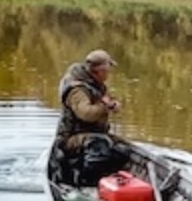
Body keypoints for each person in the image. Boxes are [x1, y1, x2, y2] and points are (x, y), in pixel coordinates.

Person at [52, 49, 133, 185]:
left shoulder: (96, 85)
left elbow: (107, 99)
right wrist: (105, 107)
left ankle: (104, 176)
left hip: (92, 134)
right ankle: (84, 179)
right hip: (70, 139)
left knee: (123, 149)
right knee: (98, 145)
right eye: (108, 69)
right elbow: (86, 114)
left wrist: (113, 104)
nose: (109, 73)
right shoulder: (77, 90)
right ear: (99, 71)